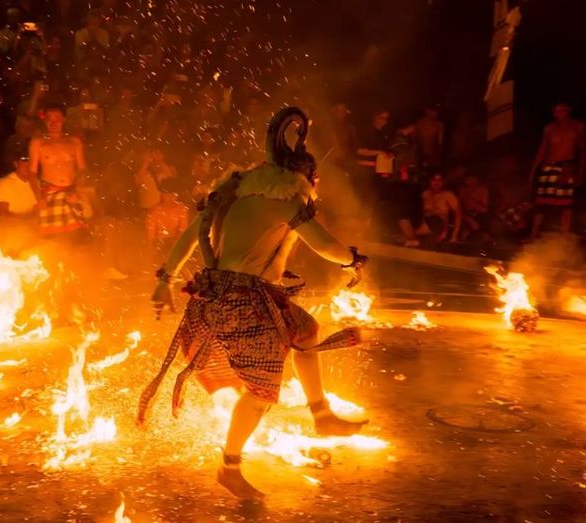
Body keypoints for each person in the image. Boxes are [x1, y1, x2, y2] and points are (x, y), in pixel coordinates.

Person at [140, 108, 367, 499]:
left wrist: (166, 281)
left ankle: (322, 414)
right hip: (241, 303)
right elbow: (325, 245)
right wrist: (353, 260)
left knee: (306, 330)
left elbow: (190, 237)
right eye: (314, 181)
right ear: (304, 178)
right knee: (261, 392)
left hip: (235, 296)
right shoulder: (286, 203)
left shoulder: (232, 198)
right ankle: (229, 467)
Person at [528, 102, 586, 239]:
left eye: (563, 110)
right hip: (548, 167)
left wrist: (580, 173)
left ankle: (564, 235)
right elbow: (542, 150)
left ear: (568, 111)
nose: (559, 114)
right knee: (541, 203)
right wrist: (533, 171)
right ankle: (534, 234)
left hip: (566, 167)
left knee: (565, 205)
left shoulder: (578, 126)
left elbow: (583, 150)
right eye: (556, 111)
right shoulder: (550, 128)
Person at [28, 105, 88, 238]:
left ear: (63, 120)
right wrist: (39, 198)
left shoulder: (74, 142)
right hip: (50, 194)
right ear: (45, 121)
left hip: (71, 193)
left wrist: (77, 191)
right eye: (49, 119)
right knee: (52, 239)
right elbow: (32, 173)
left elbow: (83, 170)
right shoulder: (38, 143)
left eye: (57, 118)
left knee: (77, 237)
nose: (53, 123)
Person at [145, 178, 187, 257]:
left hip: (174, 245)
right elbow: (151, 236)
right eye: (165, 194)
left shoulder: (181, 209)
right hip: (159, 247)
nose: (168, 197)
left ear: (174, 194)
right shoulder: (154, 211)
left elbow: (183, 232)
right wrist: (151, 252)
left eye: (170, 194)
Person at [417, 173, 462, 243]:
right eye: (433, 180)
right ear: (430, 181)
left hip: (440, 228)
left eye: (439, 180)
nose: (436, 182)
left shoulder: (448, 195)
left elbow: (458, 215)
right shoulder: (425, 194)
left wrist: (454, 236)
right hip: (424, 227)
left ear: (443, 182)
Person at [457, 174, 490, 241]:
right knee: (465, 230)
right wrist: (467, 218)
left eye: (472, 179)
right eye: (468, 179)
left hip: (479, 215)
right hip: (465, 215)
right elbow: (457, 207)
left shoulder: (482, 189)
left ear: (477, 180)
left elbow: (484, 209)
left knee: (484, 232)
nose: (469, 181)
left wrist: (472, 202)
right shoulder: (462, 190)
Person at [414, 105, 444, 173]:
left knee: (431, 172)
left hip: (432, 157)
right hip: (423, 156)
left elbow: (440, 143)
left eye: (436, 112)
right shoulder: (420, 123)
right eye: (433, 111)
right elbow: (415, 139)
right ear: (426, 111)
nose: (435, 113)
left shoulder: (439, 124)